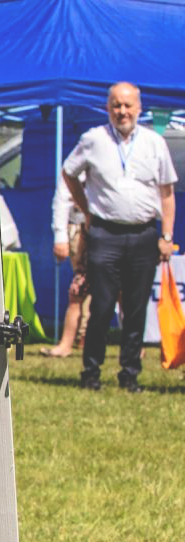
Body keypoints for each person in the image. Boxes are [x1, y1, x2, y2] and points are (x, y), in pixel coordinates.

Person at [62, 82, 177, 392]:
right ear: (107, 107)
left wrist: (167, 235)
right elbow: (68, 172)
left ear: (139, 108)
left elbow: (167, 194)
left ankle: (130, 375)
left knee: (136, 309)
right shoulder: (93, 139)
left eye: (128, 105)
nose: (122, 111)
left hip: (143, 234)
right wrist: (87, 211)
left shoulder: (154, 143)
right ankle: (91, 373)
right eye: (116, 105)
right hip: (105, 233)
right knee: (101, 306)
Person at [41, 177, 92, 358]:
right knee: (78, 289)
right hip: (84, 229)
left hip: (110, 231)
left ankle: (133, 348)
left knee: (122, 291)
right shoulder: (76, 165)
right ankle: (67, 344)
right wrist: (60, 235)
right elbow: (63, 196)